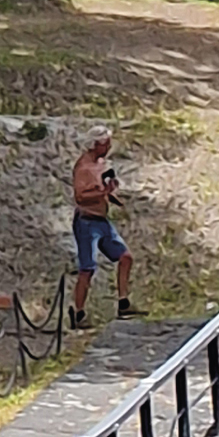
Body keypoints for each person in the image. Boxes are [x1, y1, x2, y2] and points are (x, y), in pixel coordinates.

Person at [69, 130, 134, 327]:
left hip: (101, 220)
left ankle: (123, 302)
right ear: (95, 144)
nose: (109, 148)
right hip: (86, 222)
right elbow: (80, 197)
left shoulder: (100, 164)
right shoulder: (83, 168)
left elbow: (99, 188)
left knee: (125, 257)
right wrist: (103, 192)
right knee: (87, 268)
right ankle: (78, 312)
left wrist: (111, 195)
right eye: (106, 144)